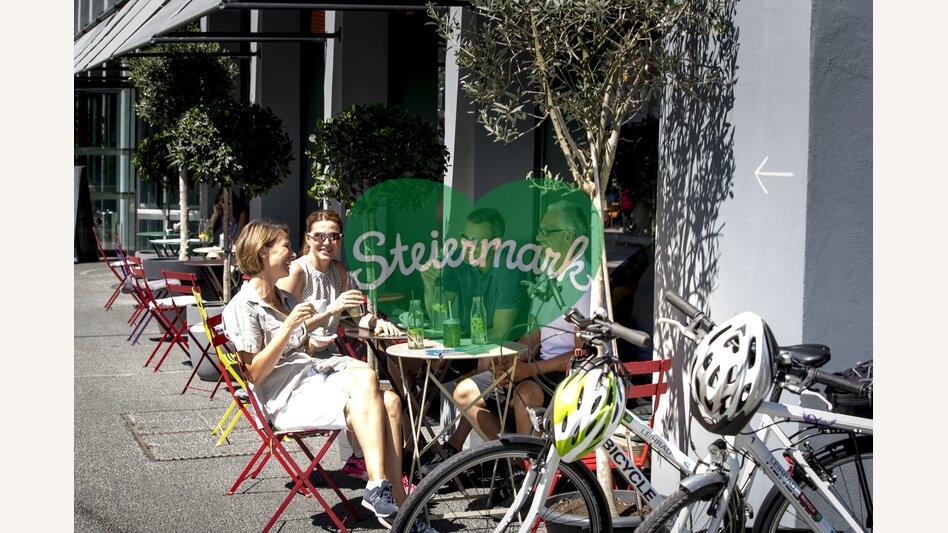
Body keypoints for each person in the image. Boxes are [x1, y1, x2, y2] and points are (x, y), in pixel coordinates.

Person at [222, 219, 430, 531]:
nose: (293, 253)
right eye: (286, 247)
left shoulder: (284, 298)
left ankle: (392, 501)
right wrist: (292, 326)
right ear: (264, 253)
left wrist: (310, 334)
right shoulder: (243, 305)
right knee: (373, 387)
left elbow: (300, 346)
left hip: (311, 378)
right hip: (285, 400)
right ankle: (390, 499)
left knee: (387, 398)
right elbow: (255, 374)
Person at [422, 201, 591, 473]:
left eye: (546, 231)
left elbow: (580, 356)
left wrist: (527, 369)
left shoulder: (582, 282)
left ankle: (527, 474)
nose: (539, 238)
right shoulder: (549, 274)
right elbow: (534, 335)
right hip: (539, 369)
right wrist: (509, 360)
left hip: (569, 376)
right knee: (465, 392)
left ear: (569, 236)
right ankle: (515, 467)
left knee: (526, 394)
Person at [276, 209, 401, 482]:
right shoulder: (297, 272)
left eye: (333, 236)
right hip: (300, 359)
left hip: (329, 355)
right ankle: (367, 461)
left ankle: (367, 460)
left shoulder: (340, 270)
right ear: (308, 238)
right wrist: (331, 310)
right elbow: (282, 331)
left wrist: (375, 322)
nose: (327, 242)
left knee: (383, 390)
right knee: (368, 381)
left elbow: (353, 317)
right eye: (319, 236)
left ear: (340, 239)